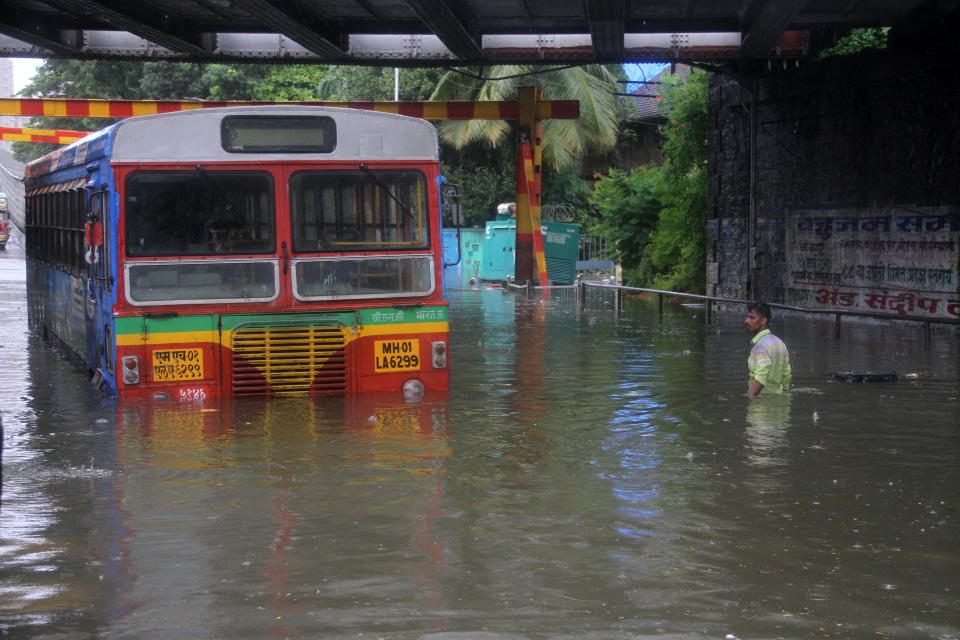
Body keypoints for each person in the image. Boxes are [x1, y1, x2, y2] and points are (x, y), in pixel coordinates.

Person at [745, 302, 791, 397]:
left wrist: (750, 400)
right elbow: (786, 375)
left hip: (761, 405)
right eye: (747, 317)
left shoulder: (761, 346)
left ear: (763, 321)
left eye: (752, 318)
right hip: (779, 404)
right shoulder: (779, 342)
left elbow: (760, 378)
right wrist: (785, 397)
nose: (746, 321)